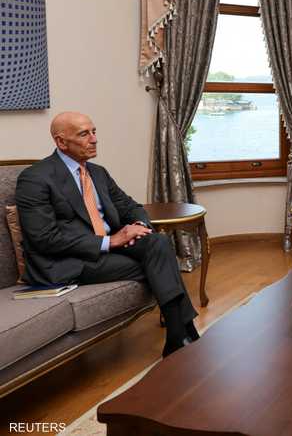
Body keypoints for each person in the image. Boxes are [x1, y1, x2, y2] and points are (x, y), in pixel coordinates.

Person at [15, 112, 200, 357]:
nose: (94, 139)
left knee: (158, 242)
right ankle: (184, 331)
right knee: (158, 262)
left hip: (109, 247)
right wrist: (109, 241)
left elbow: (130, 206)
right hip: (68, 260)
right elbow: (44, 238)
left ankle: (178, 336)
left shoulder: (98, 173)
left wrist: (138, 225)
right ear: (61, 142)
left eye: (94, 132)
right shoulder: (35, 178)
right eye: (84, 134)